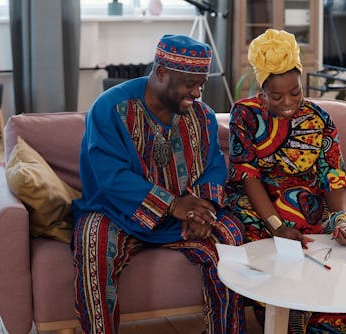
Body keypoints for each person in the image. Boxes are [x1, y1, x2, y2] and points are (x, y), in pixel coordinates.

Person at [72, 34, 245, 334]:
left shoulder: (202, 116)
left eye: (201, 84)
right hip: (117, 213)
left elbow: (215, 164)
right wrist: (173, 205)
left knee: (230, 235)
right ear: (162, 73)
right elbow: (110, 176)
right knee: (92, 241)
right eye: (190, 84)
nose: (198, 92)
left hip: (184, 214)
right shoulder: (110, 109)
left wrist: (203, 210)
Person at [226, 29, 346, 334]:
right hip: (260, 205)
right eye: (276, 96)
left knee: (338, 238)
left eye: (295, 93)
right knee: (263, 243)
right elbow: (247, 175)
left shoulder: (320, 118)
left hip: (308, 202)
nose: (288, 102)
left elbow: (332, 173)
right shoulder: (245, 114)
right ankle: (285, 314)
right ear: (261, 92)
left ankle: (322, 318)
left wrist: (342, 218)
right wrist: (276, 225)